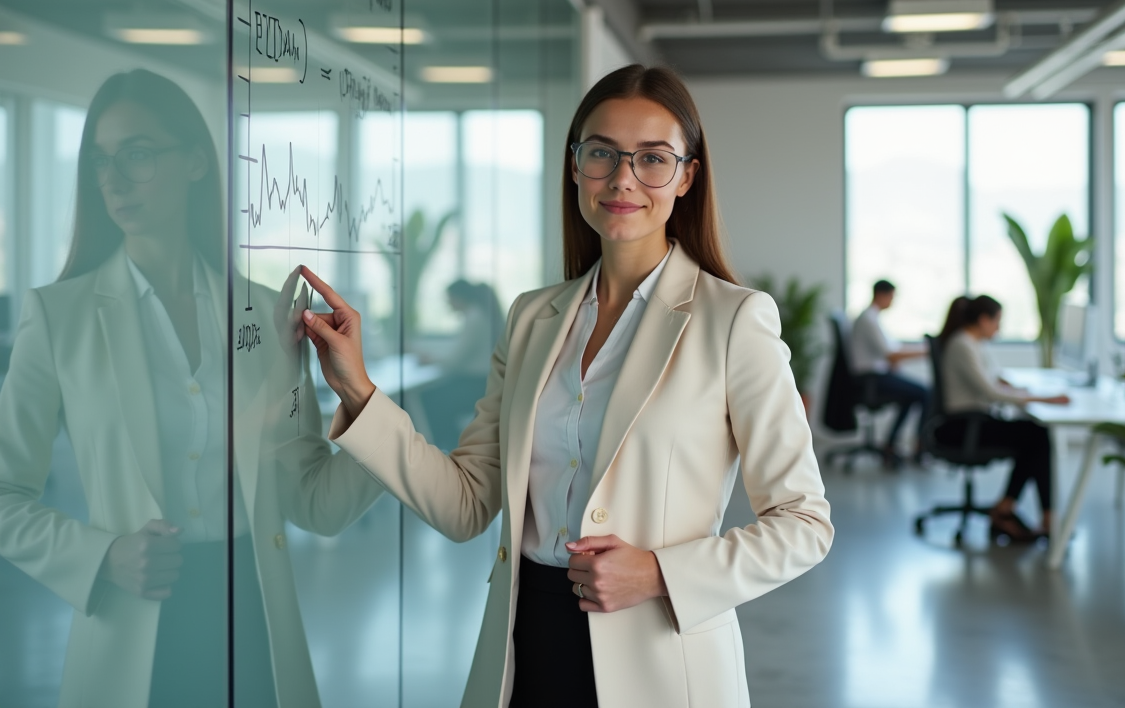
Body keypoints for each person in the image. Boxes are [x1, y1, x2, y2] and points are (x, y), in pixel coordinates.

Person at [298, 64, 834, 708]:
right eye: (602, 153)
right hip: (527, 644)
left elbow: (804, 524)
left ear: (687, 175)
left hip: (661, 653)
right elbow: (467, 504)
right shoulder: (533, 318)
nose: (623, 178)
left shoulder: (734, 320)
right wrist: (358, 390)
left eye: (653, 159)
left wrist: (661, 573)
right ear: (575, 165)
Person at [0, 69, 382, 707]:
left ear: (197, 163)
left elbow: (316, 504)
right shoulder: (57, 318)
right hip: (133, 619)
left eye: (138, 154)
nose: (113, 179)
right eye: (100, 161)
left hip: (254, 619)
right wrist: (104, 556)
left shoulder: (267, 316)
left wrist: (368, 408)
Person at [936, 295, 1069, 543]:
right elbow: (989, 392)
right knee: (1036, 435)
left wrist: (1018, 389)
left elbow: (993, 378)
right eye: (997, 321)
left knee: (1034, 434)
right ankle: (1024, 513)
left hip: (973, 421)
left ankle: (1011, 507)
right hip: (964, 426)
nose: (999, 328)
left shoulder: (974, 343)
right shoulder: (962, 345)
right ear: (983, 320)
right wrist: (1042, 399)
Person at [418, 280, 506, 449]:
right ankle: (449, 445)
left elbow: (455, 362)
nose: (447, 303)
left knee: (429, 399)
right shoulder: (480, 315)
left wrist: (430, 359)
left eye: (449, 298)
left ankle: (447, 447)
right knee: (434, 396)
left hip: (476, 383)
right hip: (482, 381)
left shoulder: (474, 317)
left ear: (459, 297)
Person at [849, 279, 929, 460]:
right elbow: (891, 355)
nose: (892, 302)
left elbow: (889, 352)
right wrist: (925, 352)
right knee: (924, 393)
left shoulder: (872, 318)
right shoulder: (868, 320)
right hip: (871, 379)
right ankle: (920, 447)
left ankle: (891, 443)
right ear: (882, 295)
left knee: (912, 396)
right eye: (891, 297)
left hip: (875, 376)